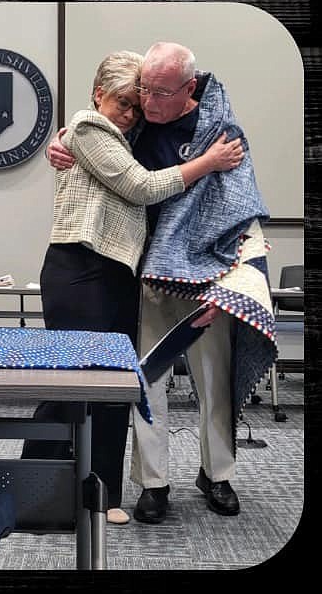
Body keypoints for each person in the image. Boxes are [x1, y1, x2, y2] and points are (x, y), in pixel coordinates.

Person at [47, 42, 274, 523]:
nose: (146, 104)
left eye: (158, 93)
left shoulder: (221, 133)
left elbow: (241, 209)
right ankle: (153, 484)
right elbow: (105, 141)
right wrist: (64, 139)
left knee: (214, 381)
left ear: (189, 89)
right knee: (147, 381)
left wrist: (234, 286)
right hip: (148, 276)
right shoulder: (139, 126)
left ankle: (218, 475)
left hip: (209, 279)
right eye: (142, 92)